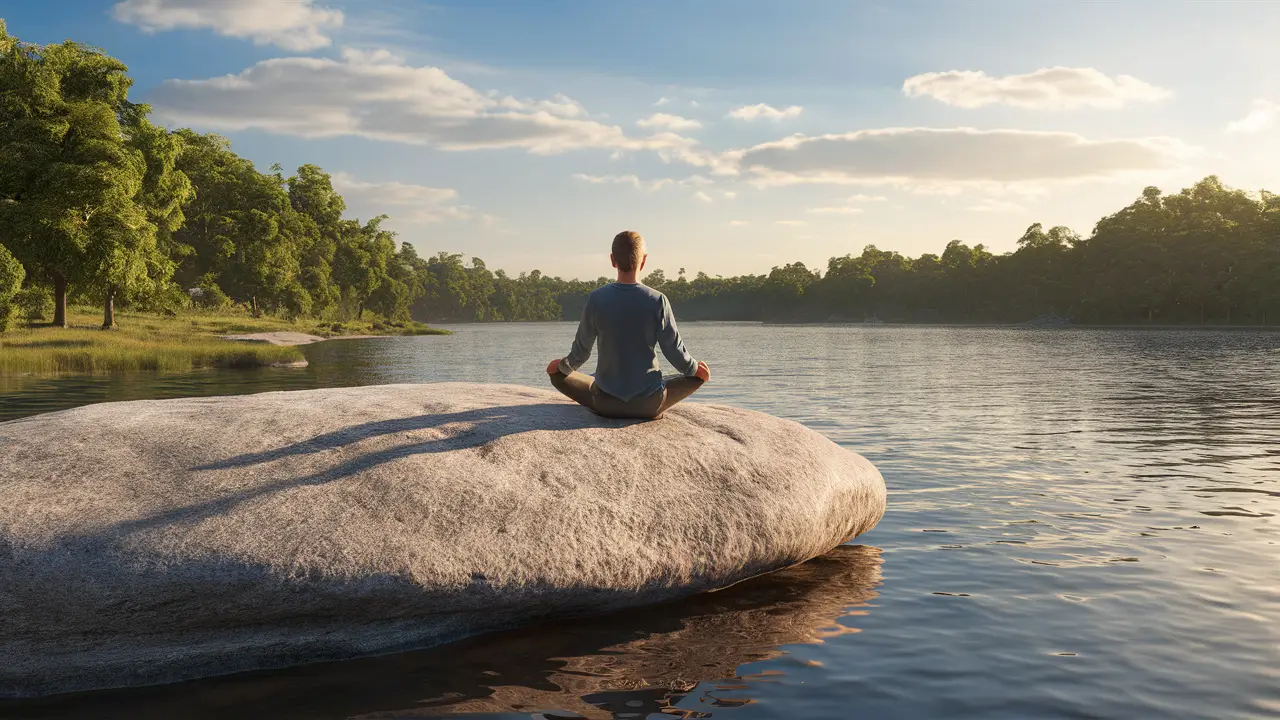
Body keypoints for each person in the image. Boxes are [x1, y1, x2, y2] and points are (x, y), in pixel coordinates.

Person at [546, 230, 711, 419]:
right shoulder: (658, 300)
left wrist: (561, 367)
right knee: (695, 376)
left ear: (612, 260)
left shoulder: (596, 299)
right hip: (649, 404)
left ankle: (593, 382)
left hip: (605, 403)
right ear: (644, 260)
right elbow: (675, 352)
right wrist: (696, 370)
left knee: (558, 375)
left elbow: (580, 354)